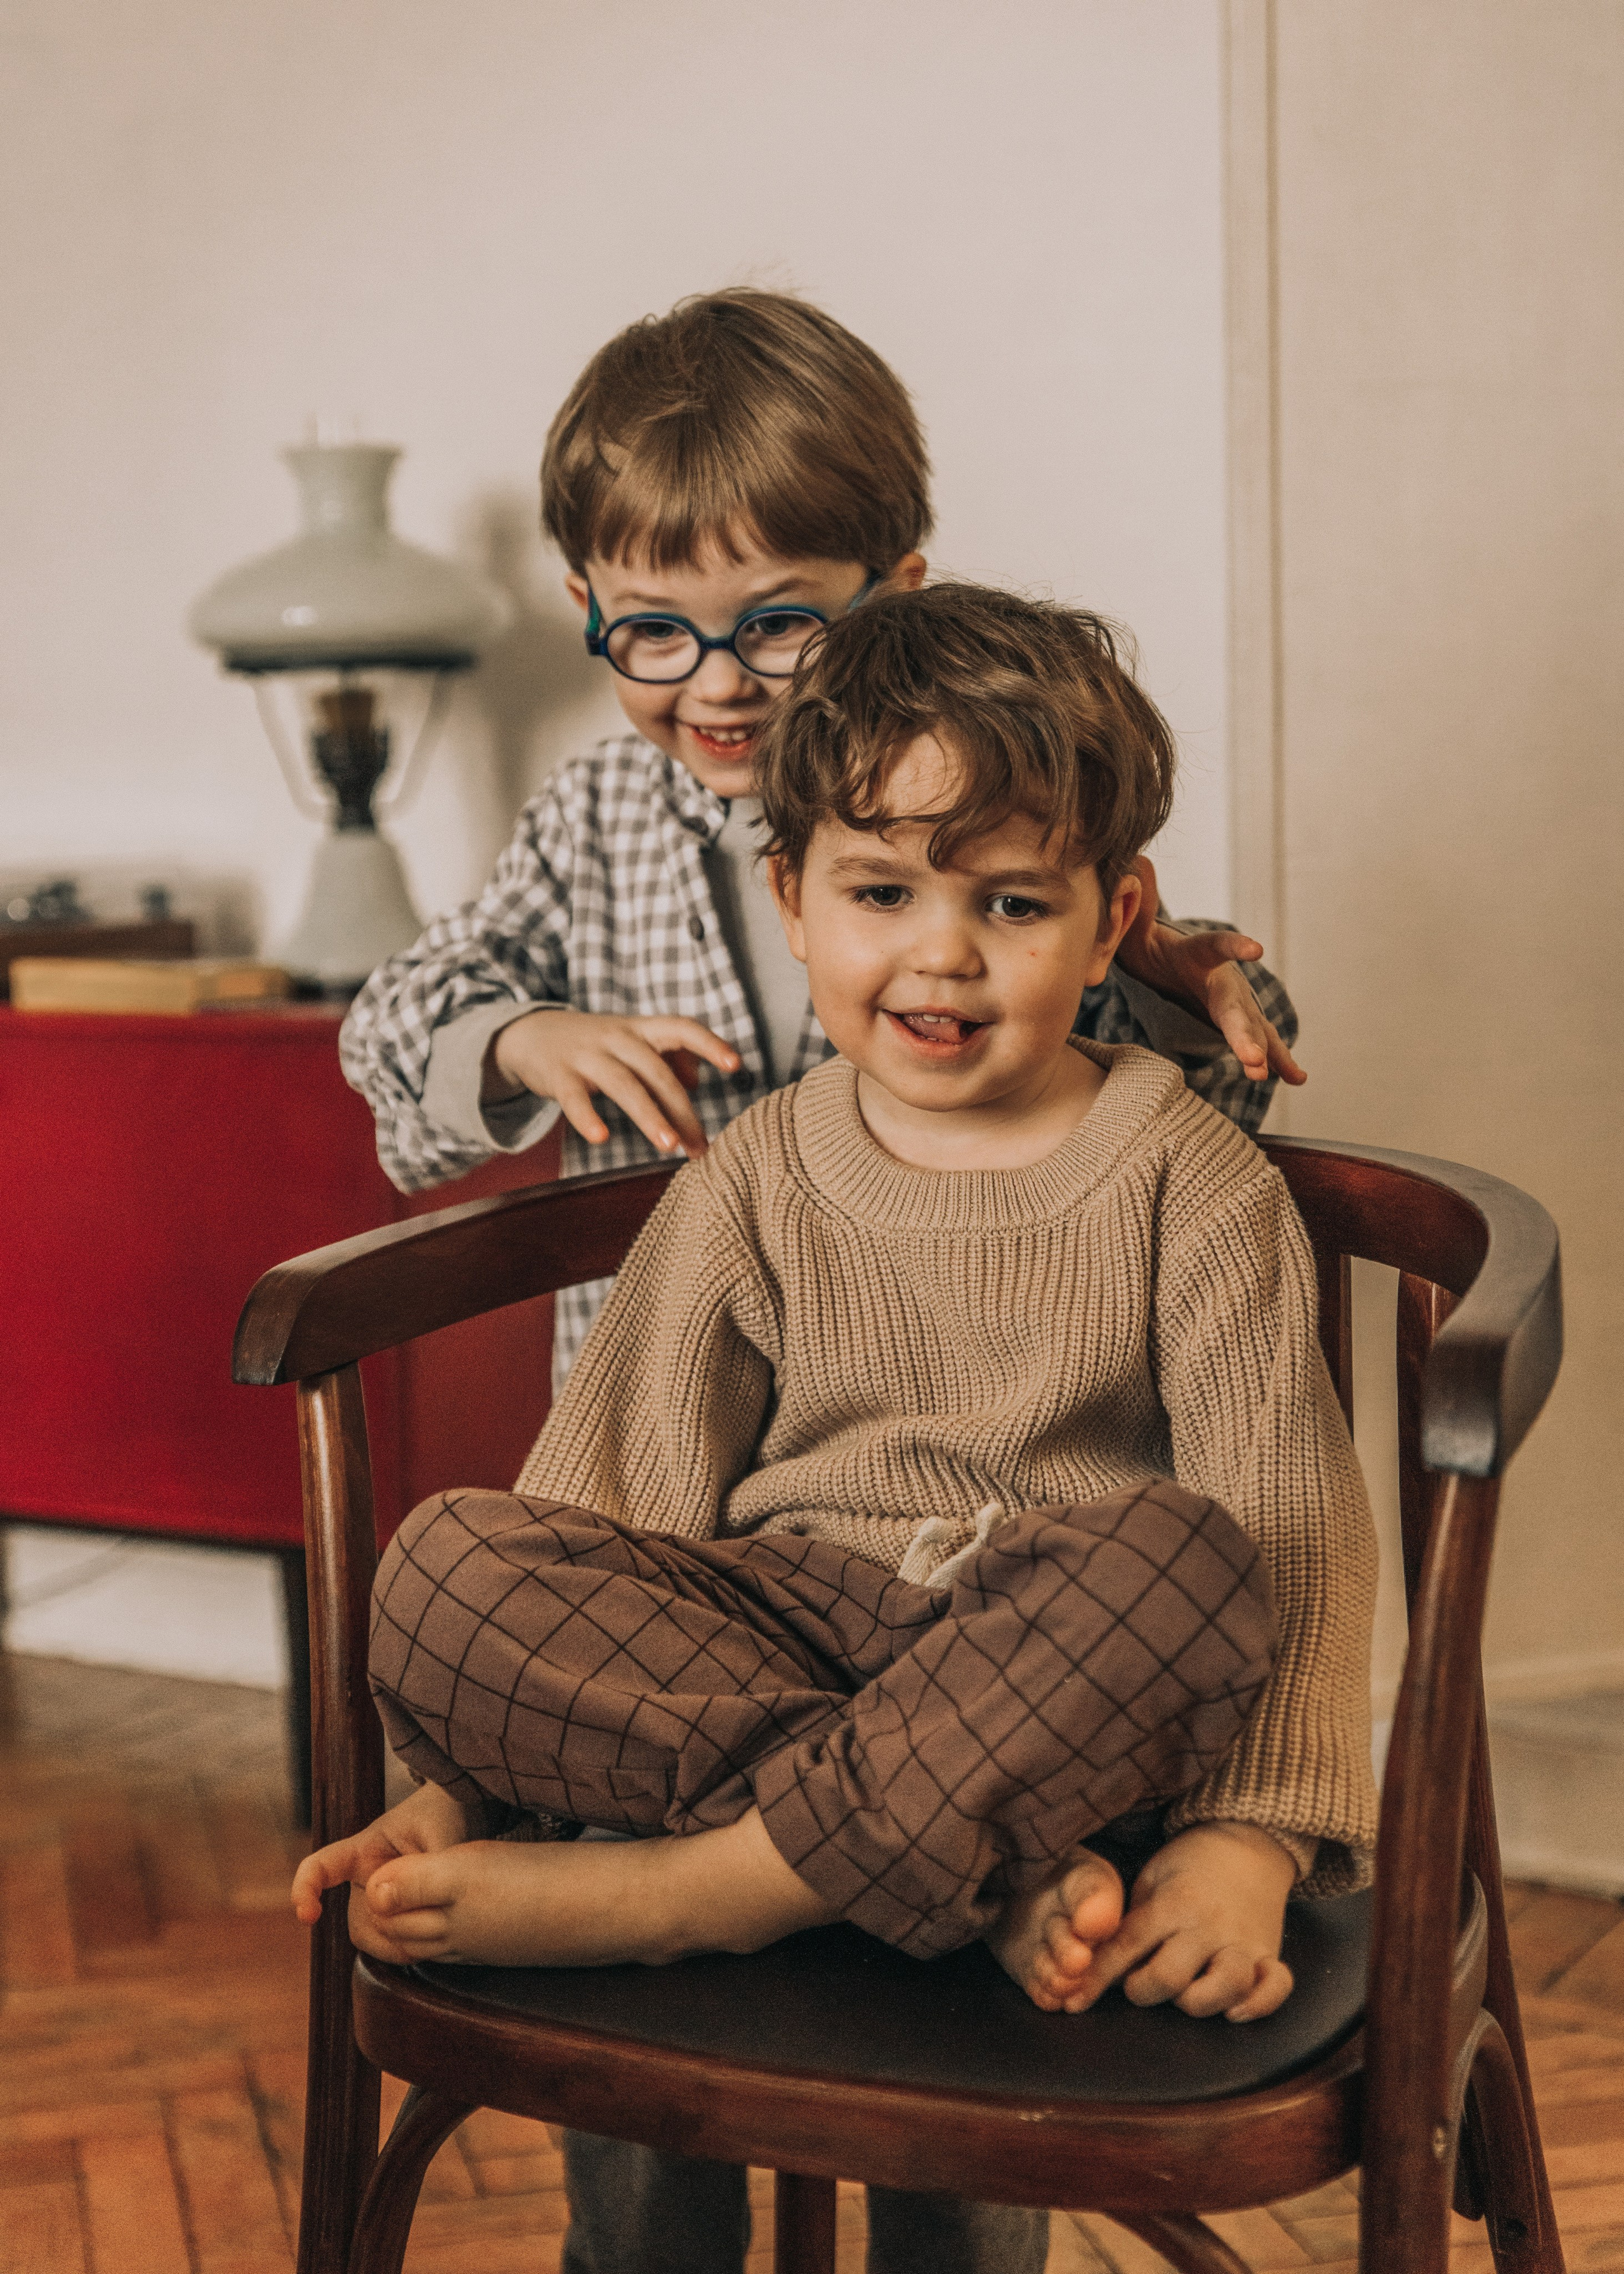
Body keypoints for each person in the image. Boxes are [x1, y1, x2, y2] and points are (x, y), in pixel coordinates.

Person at [298, 584, 1377, 2274]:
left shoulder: (1193, 1181)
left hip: (1048, 1686)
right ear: (796, 899)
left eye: (1012, 903)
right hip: (813, 1650)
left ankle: (691, 1889)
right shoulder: (759, 1174)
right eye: (882, 893)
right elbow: (616, 1494)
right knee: (448, 1559)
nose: (941, 953)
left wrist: (1250, 1836)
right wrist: (472, 1791)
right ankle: (964, 1884)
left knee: (1187, 1560)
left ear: (1116, 921)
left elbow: (1286, 1529)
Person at [339, 287, 1304, 1399]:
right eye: (652, 629)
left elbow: (1224, 1103)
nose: (719, 683)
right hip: (663, 1423)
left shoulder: (990, 809)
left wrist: (1163, 987)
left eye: (779, 623)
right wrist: (523, 1038)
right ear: (586, 604)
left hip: (938, 1418)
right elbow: (389, 1028)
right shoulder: (594, 820)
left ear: (895, 591)